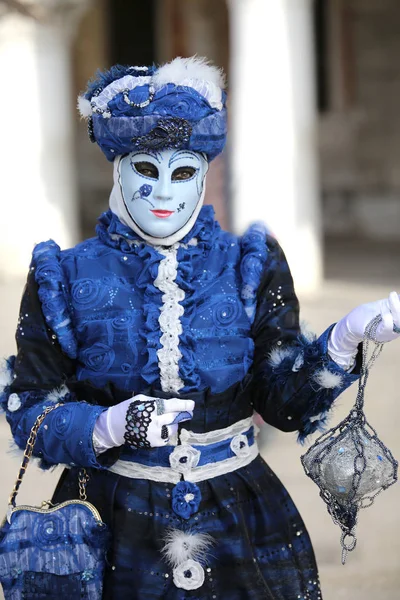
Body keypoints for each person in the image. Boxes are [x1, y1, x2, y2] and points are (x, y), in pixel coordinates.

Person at [1, 56, 399, 600]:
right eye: (146, 169)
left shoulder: (247, 264)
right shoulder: (63, 277)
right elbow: (31, 410)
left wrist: (343, 340)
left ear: (204, 174)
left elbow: (282, 404)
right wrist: (109, 426)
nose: (164, 195)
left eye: (183, 172)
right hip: (114, 528)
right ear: (118, 168)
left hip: (240, 520)